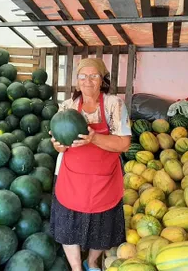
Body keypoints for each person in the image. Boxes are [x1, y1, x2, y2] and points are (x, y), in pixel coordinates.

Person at [50, 58, 131, 271]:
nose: (88, 81)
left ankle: (92, 262)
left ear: (102, 80)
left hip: (104, 178)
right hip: (72, 177)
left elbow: (124, 144)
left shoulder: (115, 104)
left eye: (93, 75)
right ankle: (77, 268)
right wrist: (57, 144)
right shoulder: (66, 107)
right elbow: (61, 147)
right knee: (68, 224)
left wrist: (94, 138)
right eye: (82, 76)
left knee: (102, 227)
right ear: (77, 81)